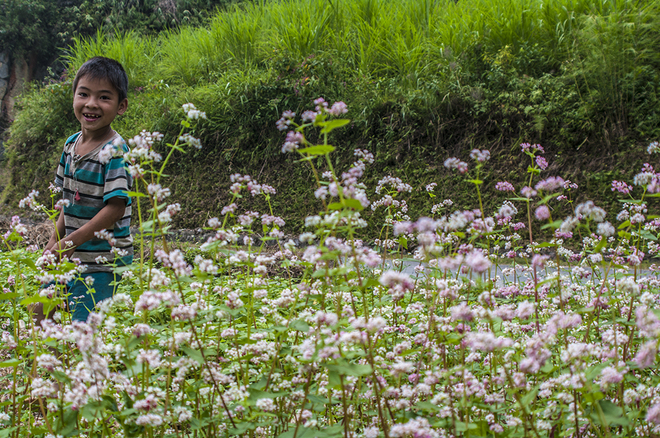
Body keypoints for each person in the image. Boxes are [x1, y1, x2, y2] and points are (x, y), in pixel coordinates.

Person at [37, 56, 134, 323]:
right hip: (72, 252)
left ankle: (88, 363)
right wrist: (53, 242)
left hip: (103, 261)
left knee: (85, 326)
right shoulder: (70, 145)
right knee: (40, 309)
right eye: (84, 94)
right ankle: (51, 364)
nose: (91, 104)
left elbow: (116, 208)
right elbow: (67, 205)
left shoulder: (116, 150)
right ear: (74, 98)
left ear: (121, 106)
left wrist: (70, 241)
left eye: (104, 97)